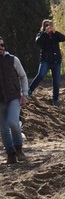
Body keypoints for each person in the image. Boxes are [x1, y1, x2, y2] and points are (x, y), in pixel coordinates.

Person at [0, 37, 30, 165]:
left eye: (2, 45)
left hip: (13, 97)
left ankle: (19, 149)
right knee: (3, 129)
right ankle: (10, 154)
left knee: (13, 122)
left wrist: (25, 94)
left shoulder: (13, 59)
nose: (1, 47)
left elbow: (23, 76)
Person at [28, 19, 65, 107]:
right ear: (43, 26)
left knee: (56, 81)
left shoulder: (55, 34)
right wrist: (45, 33)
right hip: (45, 60)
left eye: (49, 25)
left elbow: (64, 38)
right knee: (41, 75)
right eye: (46, 25)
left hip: (56, 61)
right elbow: (38, 41)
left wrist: (55, 32)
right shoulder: (41, 34)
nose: (48, 27)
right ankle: (29, 90)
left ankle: (55, 100)